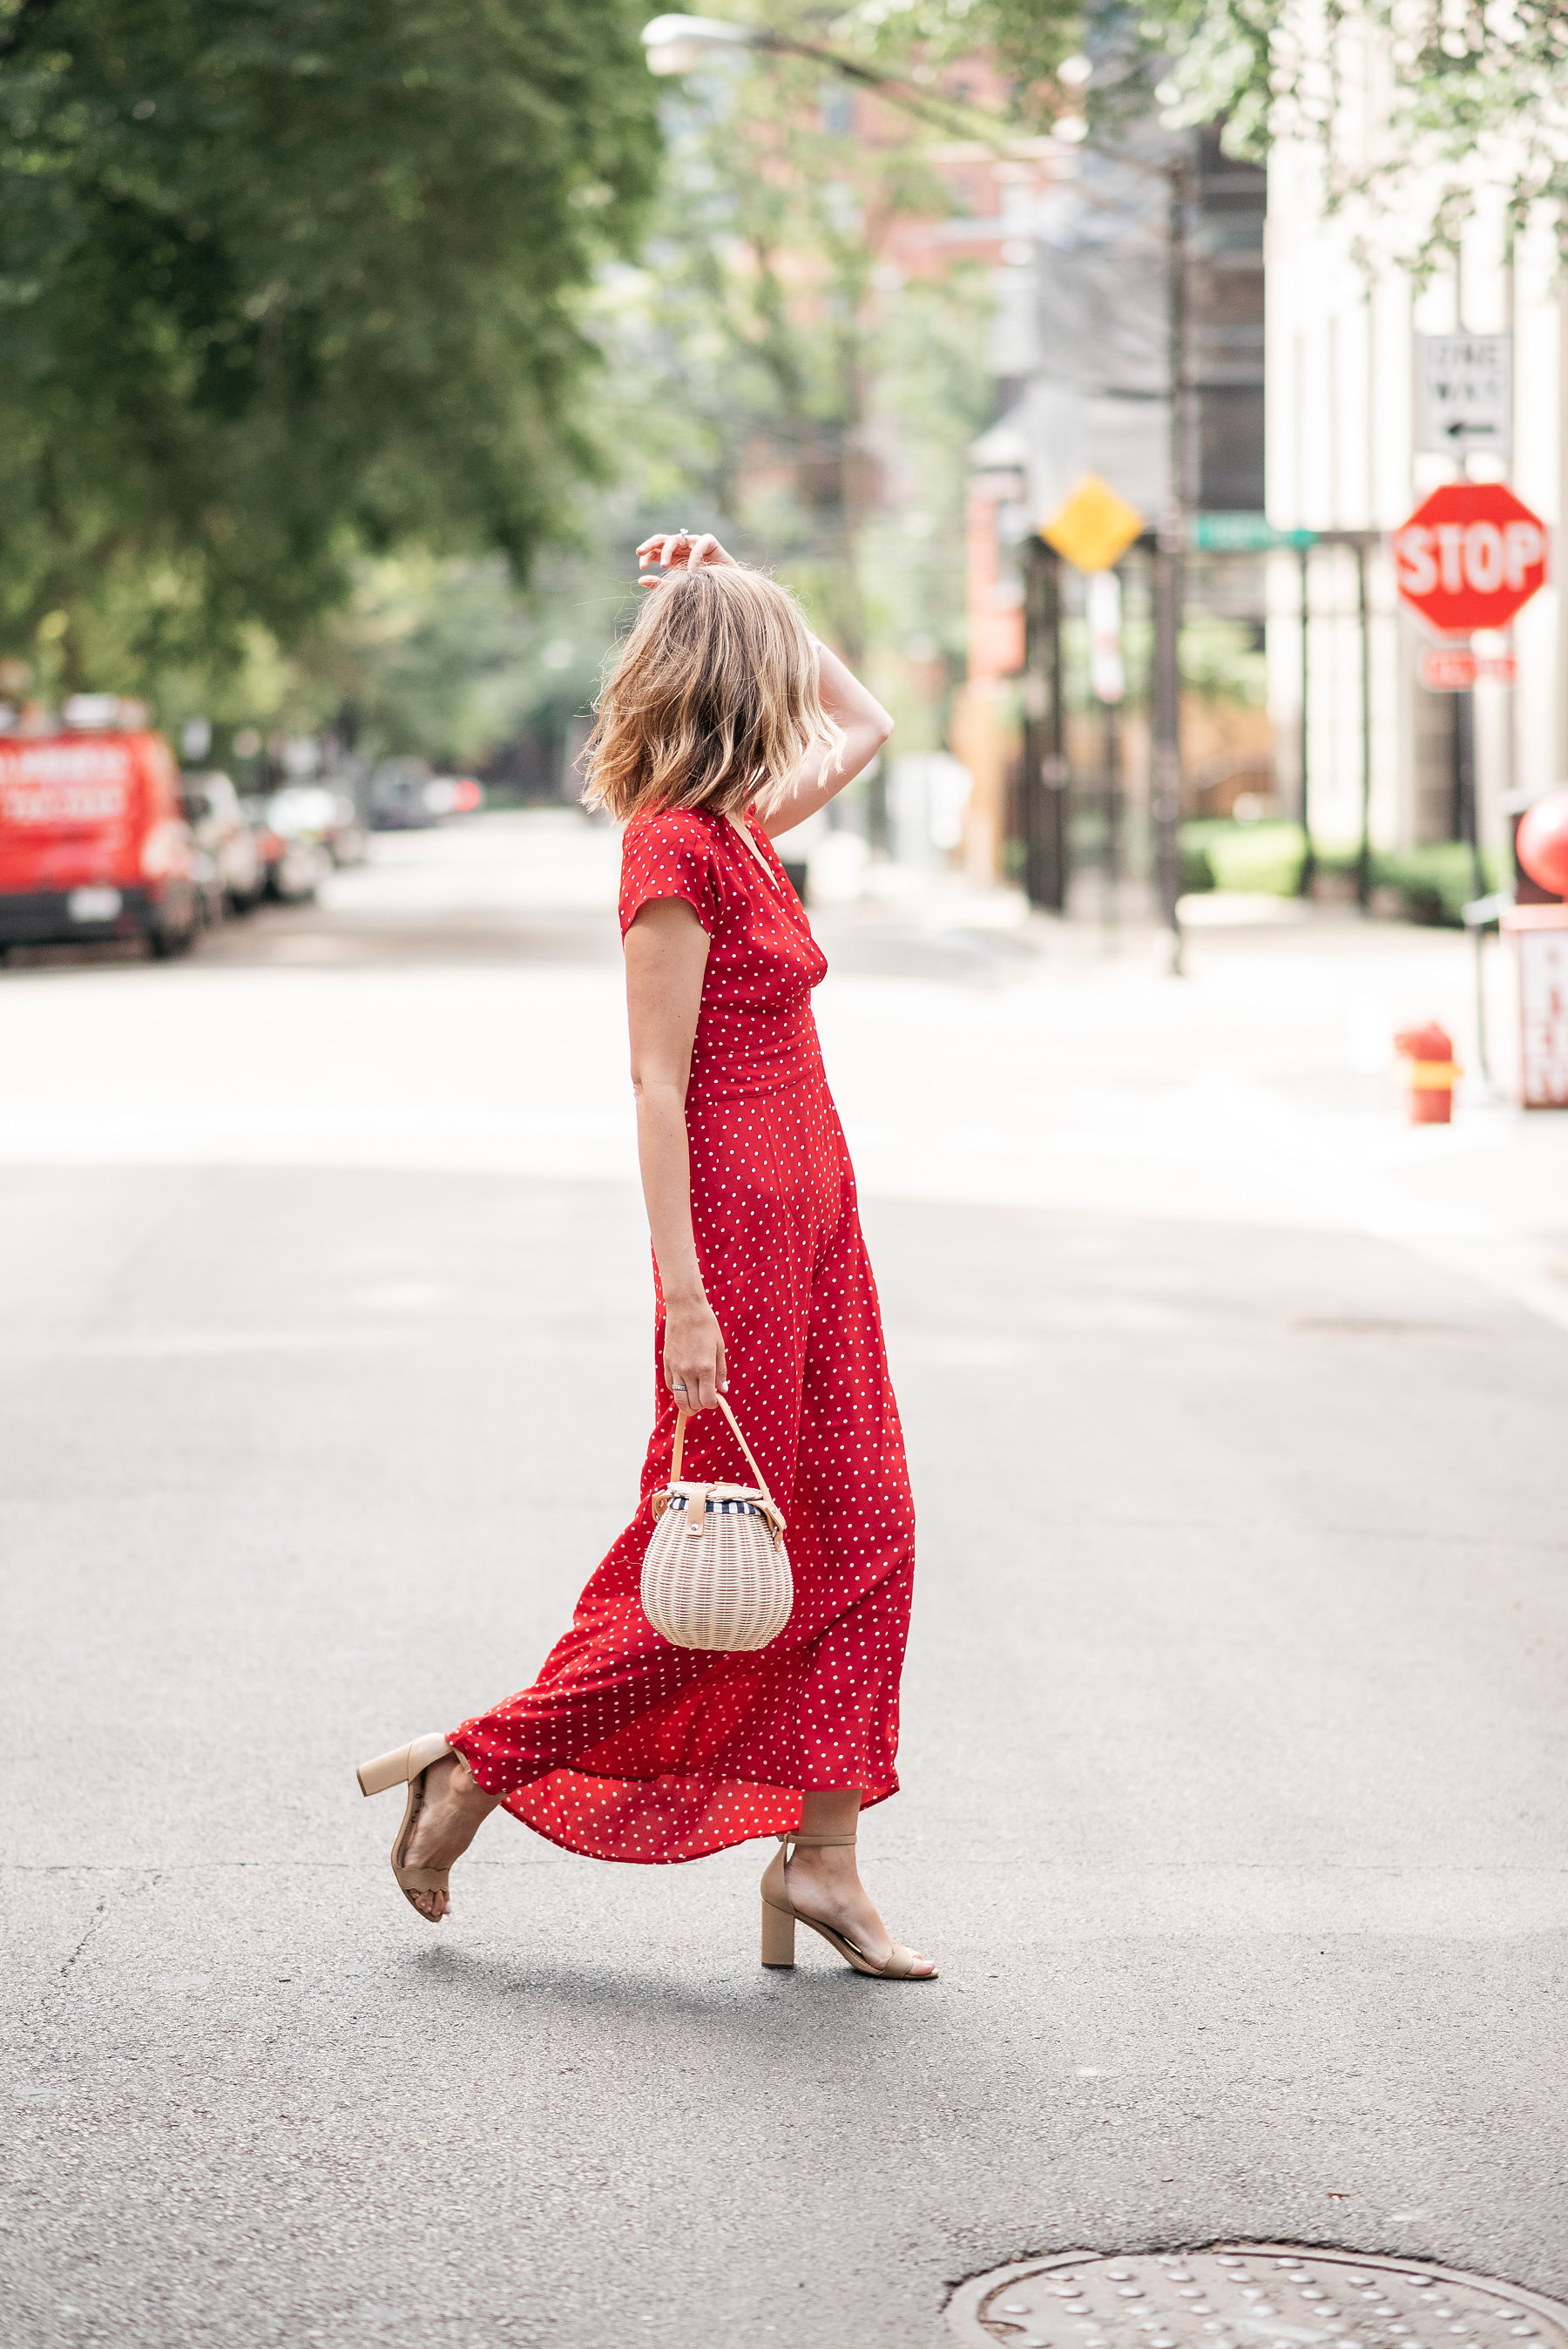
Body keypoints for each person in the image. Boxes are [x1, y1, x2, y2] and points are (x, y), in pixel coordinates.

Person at [356, 530, 935, 1980]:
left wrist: (743, 581)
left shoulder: (743, 824)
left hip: (819, 1213)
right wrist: (685, 1300)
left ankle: (825, 1863)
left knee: (866, 1535)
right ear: (725, 683)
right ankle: (478, 1764)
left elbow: (867, 719)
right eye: (764, 658)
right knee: (710, 1581)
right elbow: (655, 1083)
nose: (789, 688)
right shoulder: (672, 846)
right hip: (734, 1228)